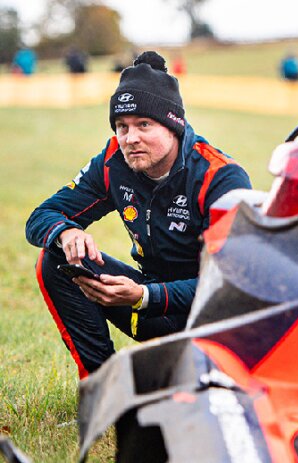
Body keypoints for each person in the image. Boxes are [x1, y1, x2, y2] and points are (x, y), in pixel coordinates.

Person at [25, 51, 251, 379]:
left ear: (174, 125)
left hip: (213, 320)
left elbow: (233, 285)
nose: (131, 139)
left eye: (144, 124)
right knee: (54, 258)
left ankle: (194, 373)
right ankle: (101, 388)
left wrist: (144, 296)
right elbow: (42, 216)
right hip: (148, 298)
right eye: (122, 126)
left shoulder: (221, 177)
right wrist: (66, 231)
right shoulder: (114, 161)